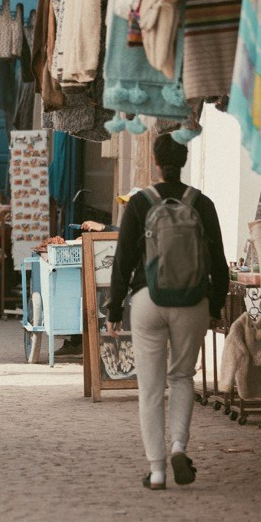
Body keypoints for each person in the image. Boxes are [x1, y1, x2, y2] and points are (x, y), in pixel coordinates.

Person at [108, 134, 229, 490]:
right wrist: (215, 305)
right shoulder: (201, 203)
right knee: (180, 378)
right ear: (185, 160)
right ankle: (179, 445)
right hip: (193, 302)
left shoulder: (140, 202)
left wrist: (115, 307)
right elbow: (218, 263)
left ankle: (157, 470)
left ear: (155, 161)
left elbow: (123, 261)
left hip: (148, 301)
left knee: (150, 387)